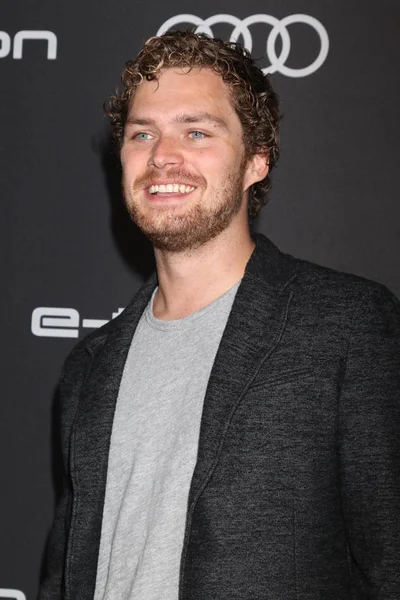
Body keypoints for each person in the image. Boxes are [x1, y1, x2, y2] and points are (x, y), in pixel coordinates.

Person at [38, 31, 400, 600]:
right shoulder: (89, 366)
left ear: (256, 159)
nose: (163, 156)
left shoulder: (346, 325)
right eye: (142, 133)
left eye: (197, 131)